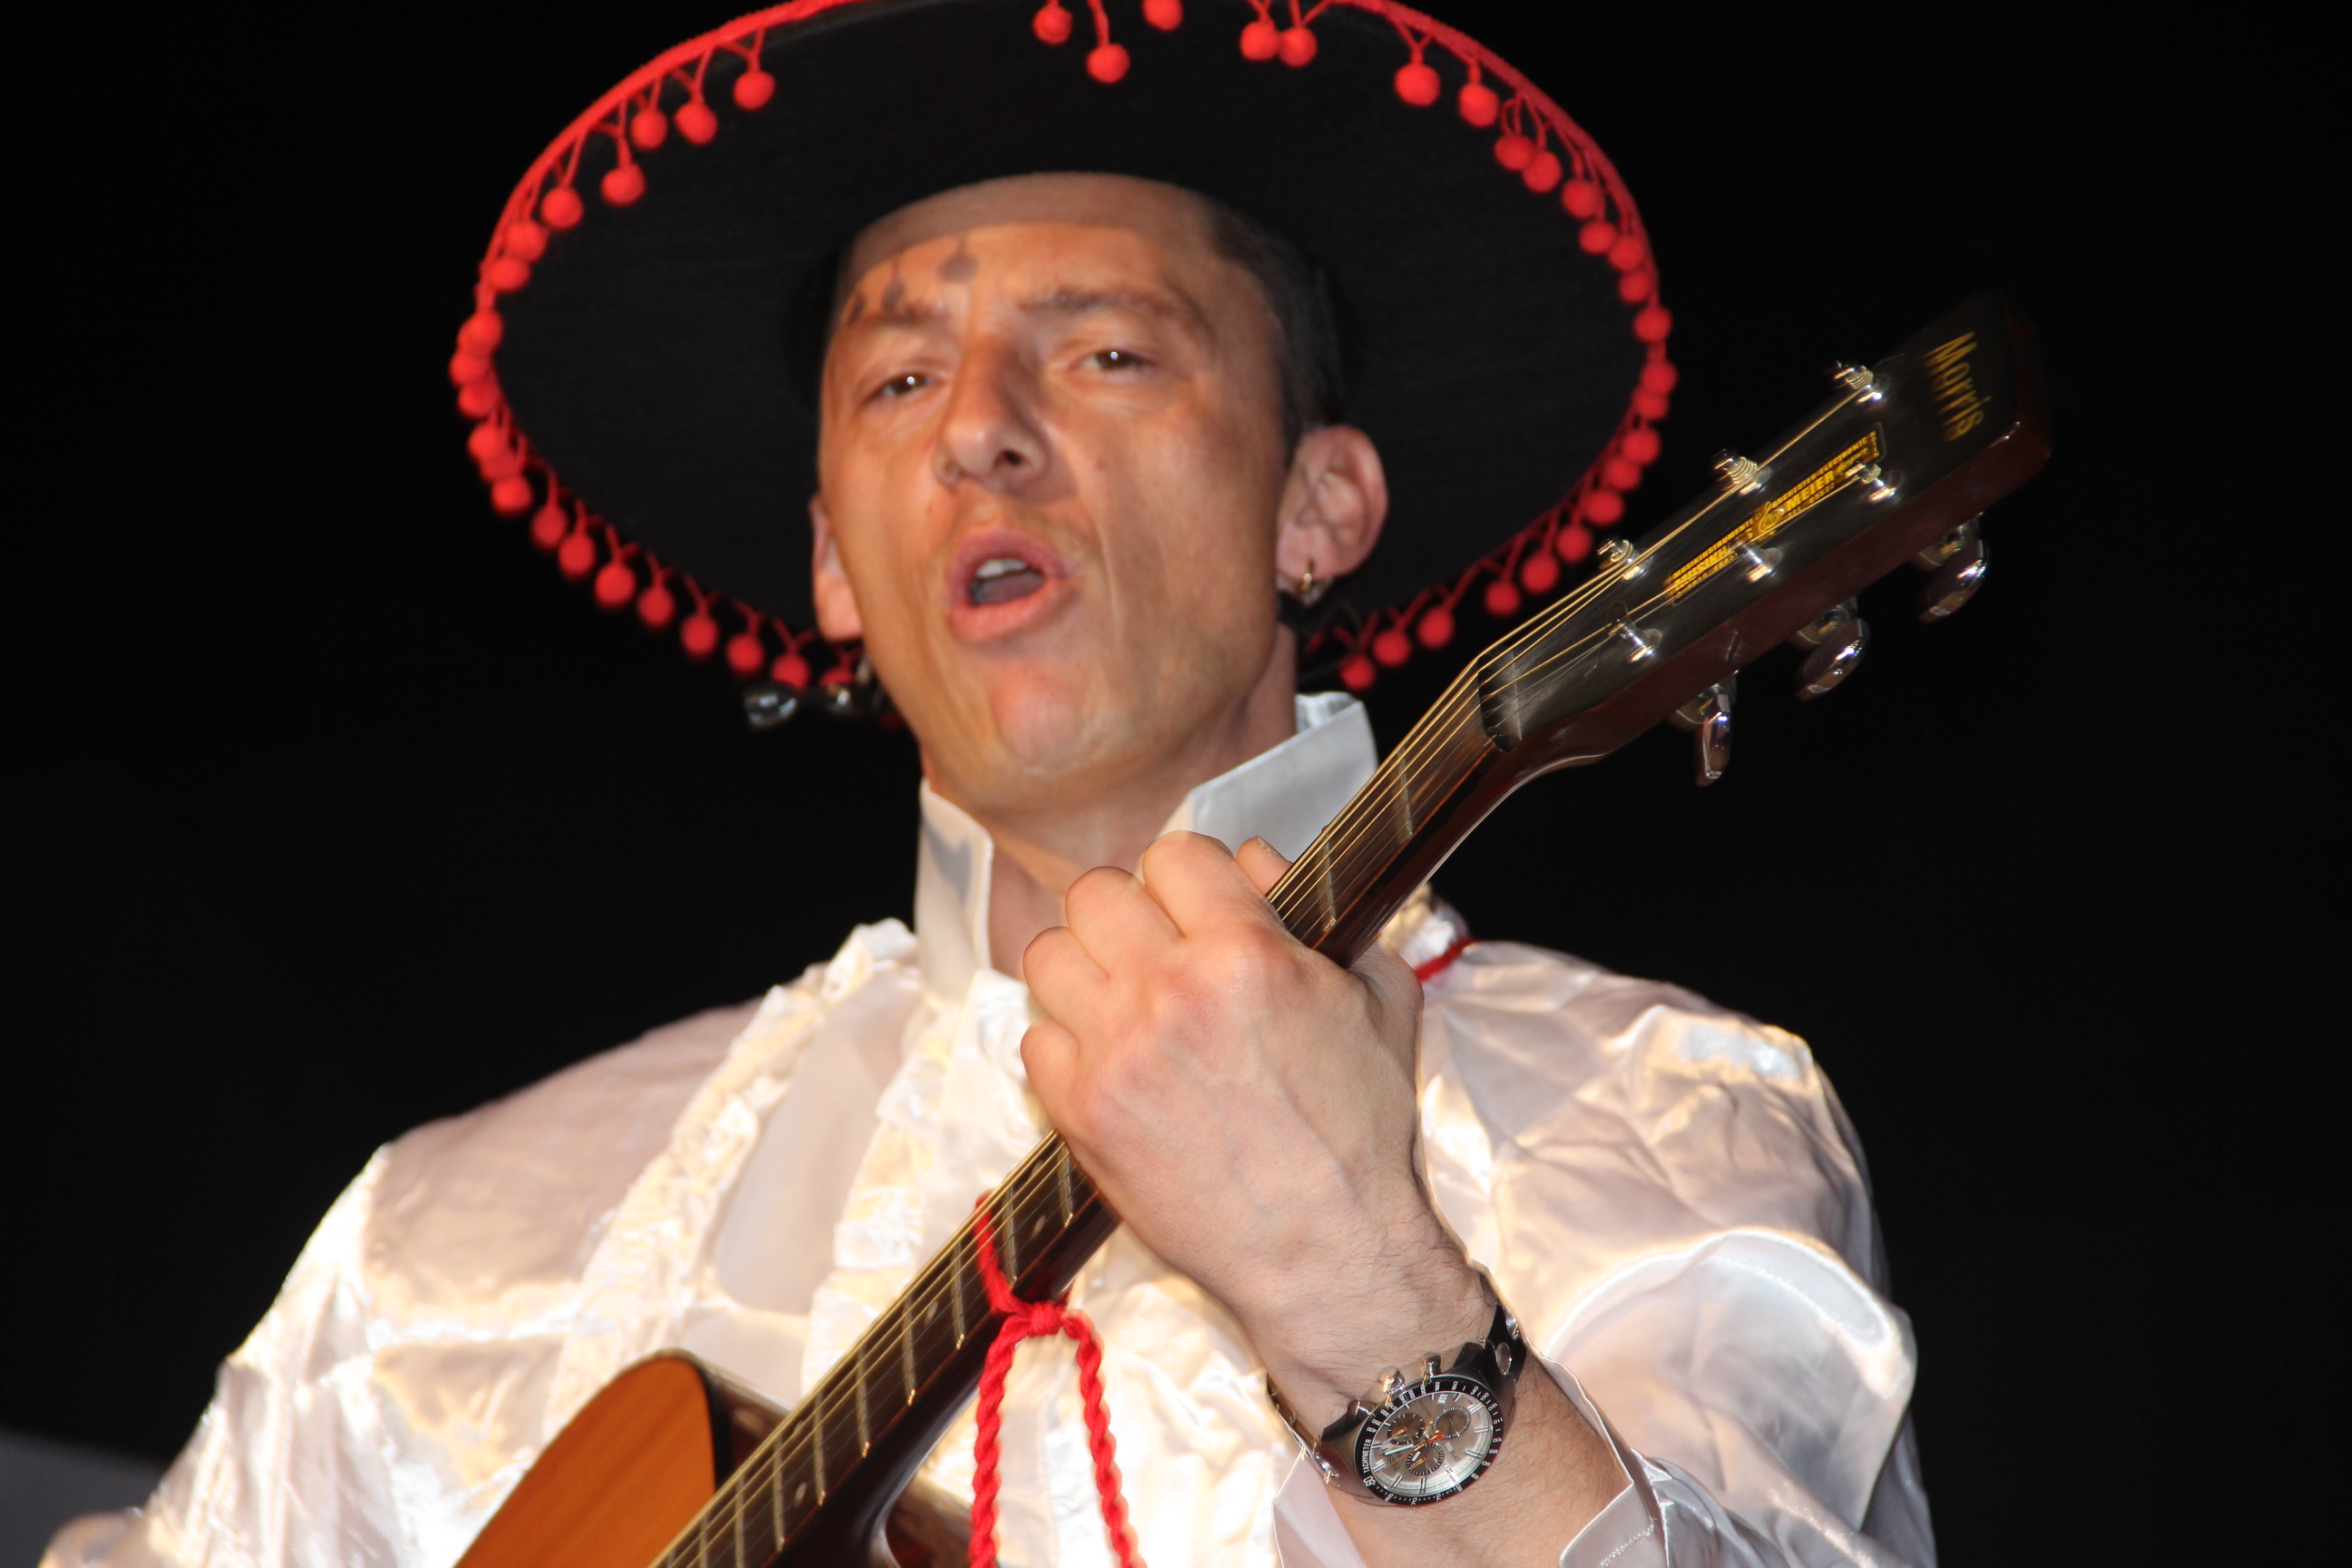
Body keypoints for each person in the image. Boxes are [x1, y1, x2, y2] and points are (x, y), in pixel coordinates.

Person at [46, 5, 1932, 1565]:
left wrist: (1363, 1290)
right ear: (831, 562)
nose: (980, 431)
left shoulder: (1656, 1120)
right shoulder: (442, 1256)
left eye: (1106, 350)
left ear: (1318, 504)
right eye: (898, 384)